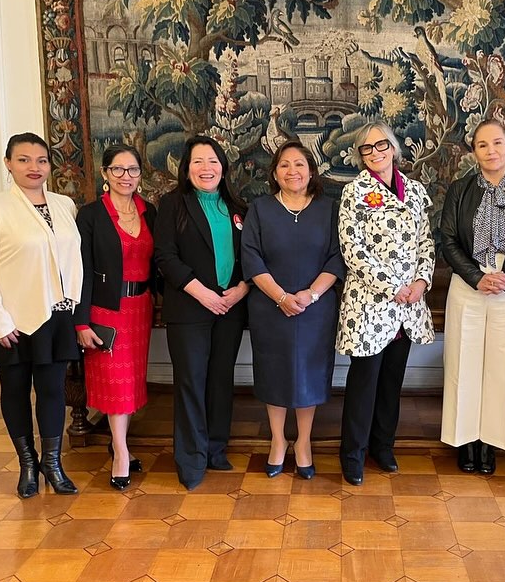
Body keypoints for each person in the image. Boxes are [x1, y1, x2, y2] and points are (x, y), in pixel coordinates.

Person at [0, 132, 82, 497]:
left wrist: (74, 306)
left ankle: (53, 464)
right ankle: (28, 464)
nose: (34, 167)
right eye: (24, 159)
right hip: (10, 320)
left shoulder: (65, 205)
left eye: (41, 160)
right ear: (8, 164)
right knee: (15, 391)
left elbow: (71, 260)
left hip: (56, 315)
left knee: (53, 391)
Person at [440, 119, 505, 475]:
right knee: (464, 362)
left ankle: (491, 442)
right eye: (482, 145)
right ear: (474, 151)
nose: (491, 151)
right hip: (468, 284)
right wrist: (476, 277)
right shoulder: (460, 190)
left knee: (503, 366)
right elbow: (448, 241)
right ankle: (465, 440)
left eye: (498, 143)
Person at [336, 121, 435, 486]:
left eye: (381, 145)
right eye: (367, 148)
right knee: (364, 384)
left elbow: (426, 242)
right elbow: (352, 249)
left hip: (409, 305)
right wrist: (392, 287)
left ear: (393, 148)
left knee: (392, 382)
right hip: (370, 305)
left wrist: (421, 282)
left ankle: (383, 446)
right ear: (361, 155)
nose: (375, 152)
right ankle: (353, 454)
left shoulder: (416, 191)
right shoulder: (354, 192)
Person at [241, 141, 345, 479]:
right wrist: (281, 297)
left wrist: (309, 296)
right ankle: (277, 440)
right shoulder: (260, 209)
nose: (292, 171)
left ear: (311, 171)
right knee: (274, 373)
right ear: (274, 173)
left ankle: (303, 442)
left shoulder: (329, 209)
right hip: (270, 308)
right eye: (284, 165)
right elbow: (251, 256)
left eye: (299, 164)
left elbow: (337, 257)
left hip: (316, 308)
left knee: (309, 375)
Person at [154, 135, 249, 491]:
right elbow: (165, 257)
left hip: (231, 307)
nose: (206, 168)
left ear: (223, 167)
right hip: (190, 307)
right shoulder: (172, 204)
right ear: (187, 168)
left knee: (220, 379)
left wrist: (242, 289)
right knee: (191, 382)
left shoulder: (239, 207)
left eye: (212, 161)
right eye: (198, 161)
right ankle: (191, 460)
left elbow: (252, 256)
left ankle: (215, 449)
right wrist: (204, 294)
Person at [75, 144, 155, 491]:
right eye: (118, 169)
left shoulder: (149, 211)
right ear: (105, 173)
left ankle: (119, 443)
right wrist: (80, 321)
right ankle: (121, 453)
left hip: (141, 307)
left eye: (133, 169)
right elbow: (81, 270)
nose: (126, 176)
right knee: (116, 384)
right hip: (106, 310)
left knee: (132, 382)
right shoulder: (91, 215)